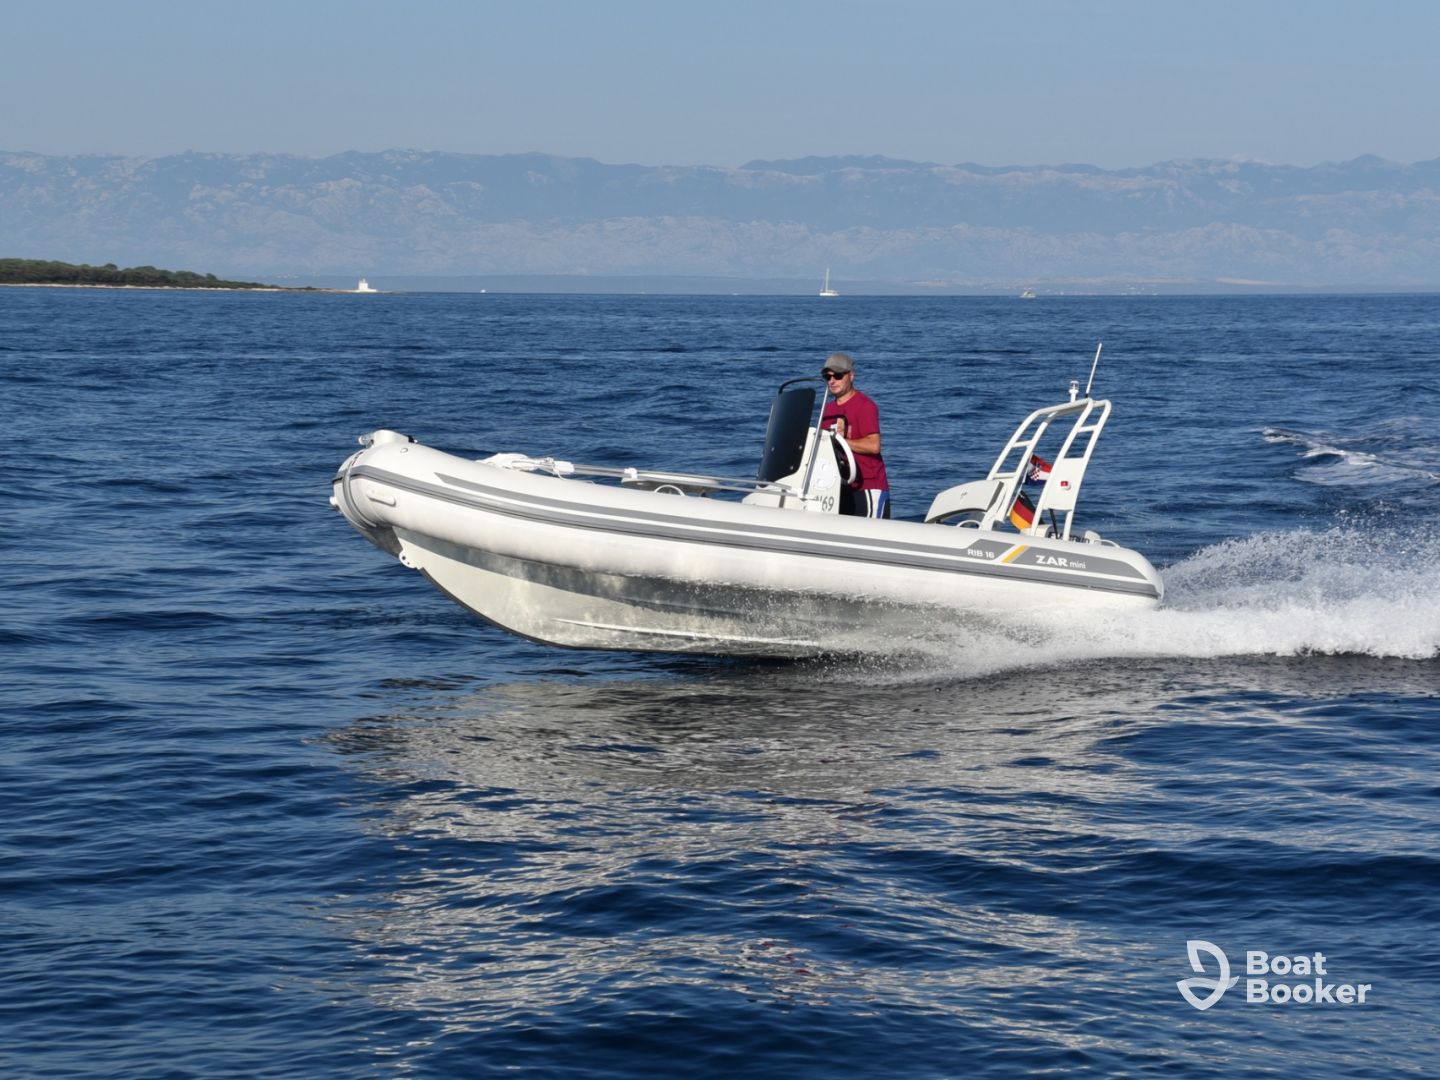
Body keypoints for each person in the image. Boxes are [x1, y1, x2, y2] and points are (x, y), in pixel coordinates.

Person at [819, 352, 890, 518]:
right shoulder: (827, 410)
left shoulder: (865, 406)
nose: (832, 381)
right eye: (827, 377)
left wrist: (840, 441)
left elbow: (874, 445)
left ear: (851, 376)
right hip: (839, 488)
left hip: (868, 487)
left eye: (837, 376)